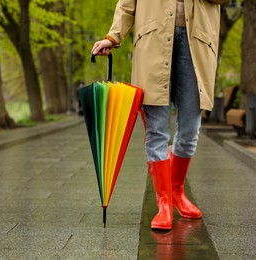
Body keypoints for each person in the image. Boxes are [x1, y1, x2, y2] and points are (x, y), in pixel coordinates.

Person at [92, 0, 221, 230]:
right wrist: (113, 37)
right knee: (157, 129)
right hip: (152, 41)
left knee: (190, 129)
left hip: (197, 43)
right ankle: (164, 203)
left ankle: (176, 191)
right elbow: (127, 4)